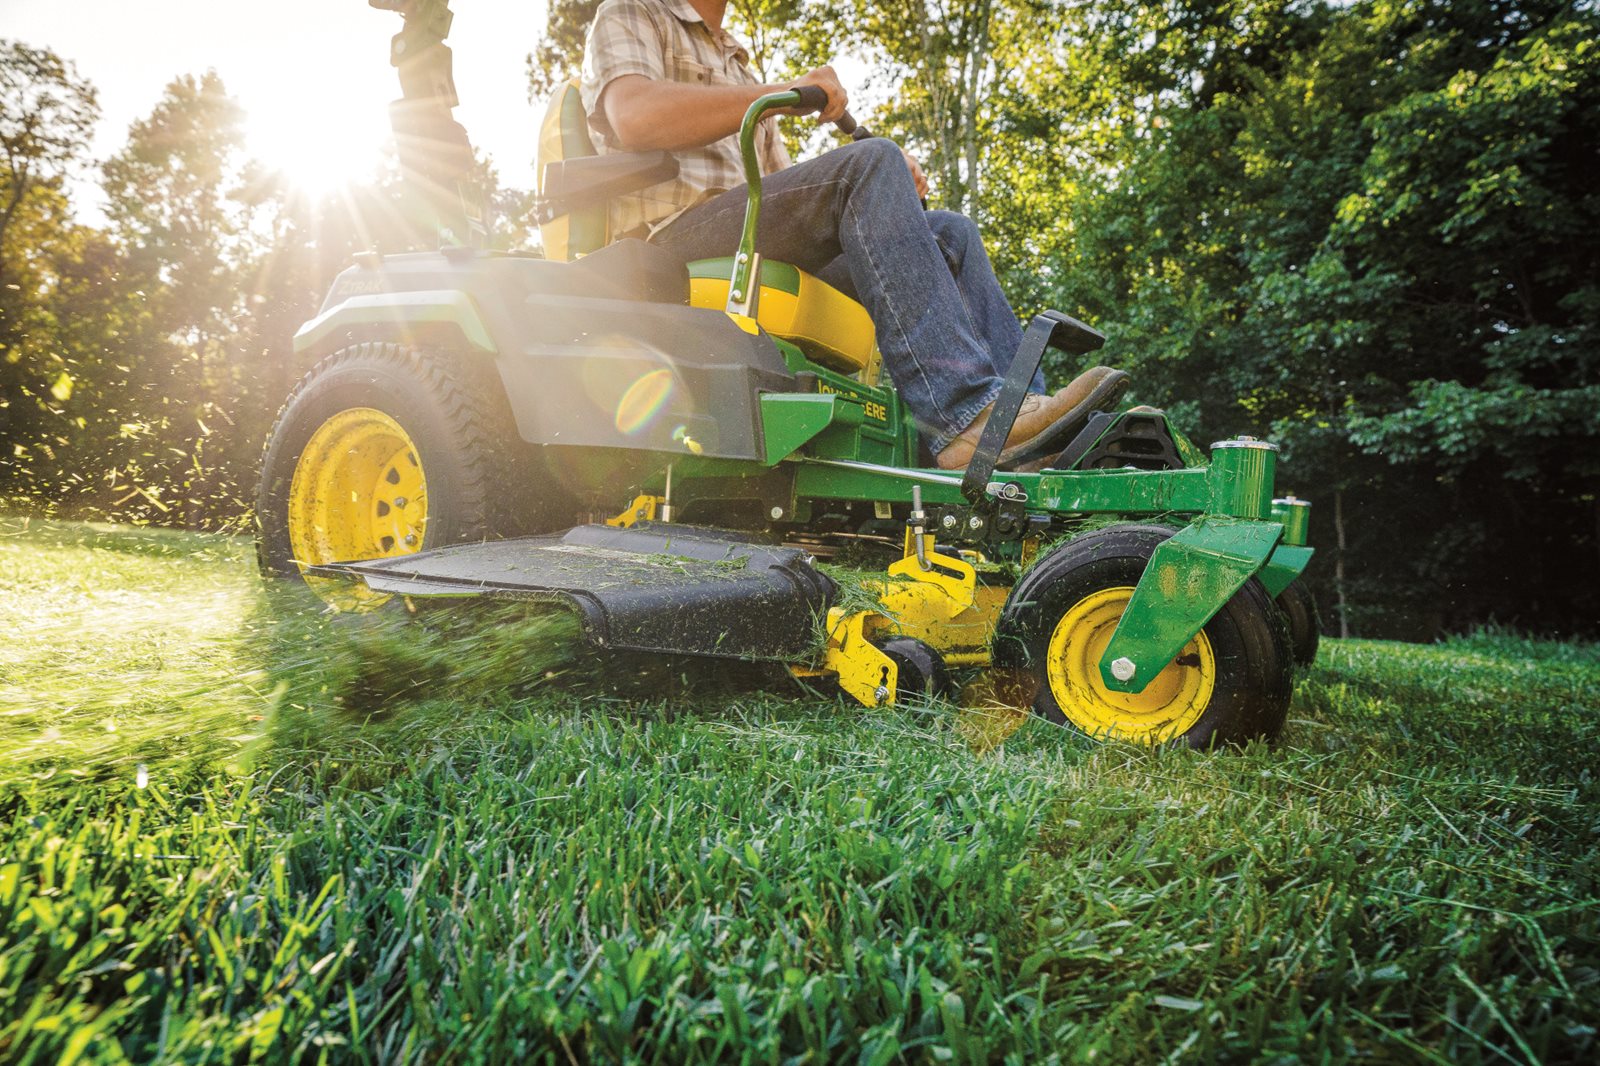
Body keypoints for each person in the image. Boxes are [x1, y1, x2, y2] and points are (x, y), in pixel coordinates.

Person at [580, 0, 1123, 470]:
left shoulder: (739, 64)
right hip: (673, 237)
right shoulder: (632, 11)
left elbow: (786, 193)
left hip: (750, 229)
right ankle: (964, 415)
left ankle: (1027, 432)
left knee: (948, 233)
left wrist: (887, 195)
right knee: (869, 163)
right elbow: (635, 115)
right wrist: (823, 125)